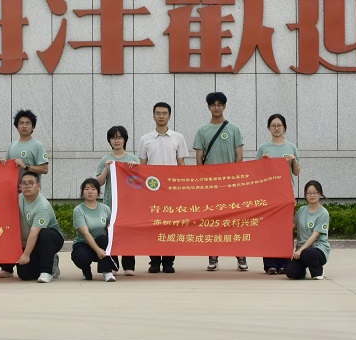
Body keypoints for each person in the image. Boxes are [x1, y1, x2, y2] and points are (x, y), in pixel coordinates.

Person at [192, 91, 246, 272]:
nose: (216, 108)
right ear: (208, 107)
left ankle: (241, 256)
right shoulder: (202, 131)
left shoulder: (234, 129)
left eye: (219, 104)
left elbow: (239, 156)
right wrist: (202, 182)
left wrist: (234, 178)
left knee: (235, 221)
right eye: (213, 105)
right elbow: (199, 159)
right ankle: (213, 256)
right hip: (211, 186)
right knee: (213, 221)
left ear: (224, 106)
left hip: (231, 184)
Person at [137, 102, 189, 273]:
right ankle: (154, 261)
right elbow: (142, 167)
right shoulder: (145, 139)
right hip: (152, 191)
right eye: (158, 113)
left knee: (170, 226)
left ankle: (168, 261)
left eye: (164, 113)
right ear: (153, 116)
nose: (161, 116)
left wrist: (183, 188)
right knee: (153, 225)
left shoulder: (178, 137)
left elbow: (181, 165)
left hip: (172, 191)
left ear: (169, 116)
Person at [0, 172, 63, 283]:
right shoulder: (16, 199)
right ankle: (7, 269)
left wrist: (26, 255)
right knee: (25, 275)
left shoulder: (43, 206)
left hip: (49, 239)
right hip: (27, 241)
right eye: (24, 183)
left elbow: (34, 232)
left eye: (30, 183)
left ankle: (47, 271)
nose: (27, 186)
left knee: (45, 234)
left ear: (38, 186)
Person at [257, 113, 301, 275]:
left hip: (286, 195)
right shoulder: (264, 148)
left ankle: (284, 263)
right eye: (273, 125)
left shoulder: (291, 147)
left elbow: (296, 172)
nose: (276, 128)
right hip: (269, 195)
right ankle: (270, 264)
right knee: (269, 229)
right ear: (269, 128)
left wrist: (294, 160)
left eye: (279, 125)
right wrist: (263, 162)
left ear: (284, 128)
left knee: (285, 229)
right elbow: (257, 173)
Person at [95, 125, 139, 275]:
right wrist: (106, 169)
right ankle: (113, 265)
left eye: (120, 137)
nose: (117, 140)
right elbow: (99, 182)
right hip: (110, 203)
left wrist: (135, 168)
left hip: (128, 204)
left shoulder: (132, 159)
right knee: (111, 233)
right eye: (113, 138)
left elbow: (139, 181)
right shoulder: (105, 159)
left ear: (125, 140)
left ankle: (129, 266)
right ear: (109, 141)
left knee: (128, 233)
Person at [71, 178, 116, 282]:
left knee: (103, 239)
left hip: (101, 242)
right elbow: (85, 233)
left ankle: (107, 271)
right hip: (83, 243)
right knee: (81, 257)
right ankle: (85, 268)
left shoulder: (105, 209)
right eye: (87, 189)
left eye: (93, 189)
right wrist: (98, 250)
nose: (90, 192)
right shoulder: (78, 210)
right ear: (82, 192)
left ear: (98, 192)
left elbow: (110, 227)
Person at [286, 180, 330, 280]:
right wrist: (289, 206)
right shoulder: (302, 210)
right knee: (291, 272)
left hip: (317, 249)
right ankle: (302, 271)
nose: (312, 195)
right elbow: (292, 225)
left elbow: (315, 236)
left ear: (320, 194)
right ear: (305, 195)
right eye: (309, 193)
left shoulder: (323, 213)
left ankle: (318, 271)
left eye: (315, 192)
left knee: (308, 253)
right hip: (302, 251)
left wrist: (300, 251)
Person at [2, 109, 49, 178]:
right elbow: (6, 167)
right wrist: (2, 162)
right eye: (21, 123)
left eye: (28, 123)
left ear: (33, 127)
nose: (24, 126)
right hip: (14, 185)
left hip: (31, 184)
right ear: (17, 127)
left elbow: (45, 169)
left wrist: (26, 166)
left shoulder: (38, 145)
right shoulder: (12, 145)